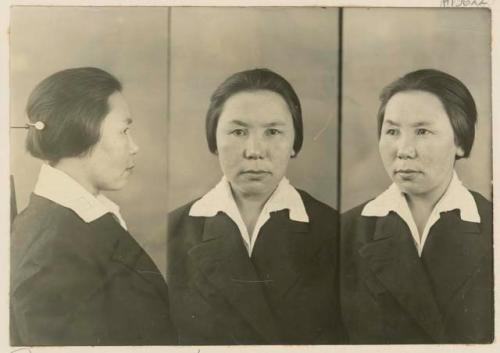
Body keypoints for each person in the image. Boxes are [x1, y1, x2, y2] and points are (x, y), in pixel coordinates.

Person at [167, 68, 345, 345]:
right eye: (238, 131)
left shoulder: (336, 231)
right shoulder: (172, 231)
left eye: (273, 131)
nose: (254, 150)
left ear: (294, 143)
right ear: (214, 140)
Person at [10, 67, 177, 345]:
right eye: (124, 130)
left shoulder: (76, 219)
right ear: (82, 131)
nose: (134, 146)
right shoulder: (51, 249)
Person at [340, 69, 493, 344]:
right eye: (392, 131)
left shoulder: (492, 226)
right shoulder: (343, 232)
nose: (403, 148)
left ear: (459, 140)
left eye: (422, 131)